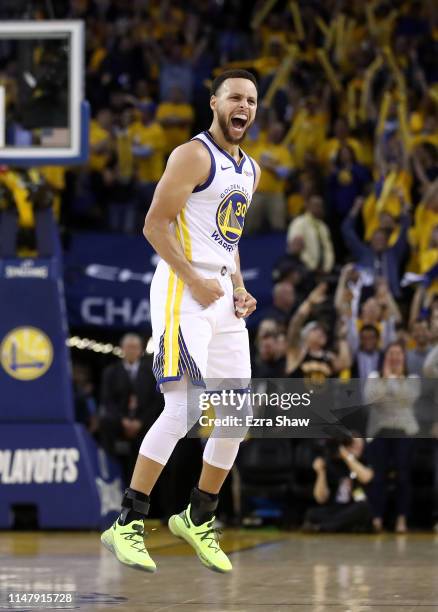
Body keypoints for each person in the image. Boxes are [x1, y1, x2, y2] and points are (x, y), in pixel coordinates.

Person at [101, 69, 260, 573]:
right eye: (235, 97)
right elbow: (154, 223)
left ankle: (198, 515)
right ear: (215, 102)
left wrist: (237, 287)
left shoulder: (250, 169)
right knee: (184, 407)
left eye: (252, 100)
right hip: (180, 291)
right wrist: (192, 278)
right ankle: (128, 520)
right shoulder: (192, 154)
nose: (244, 106)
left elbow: (227, 241)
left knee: (236, 415)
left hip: (219, 296)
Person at [364, 342, 421, 533]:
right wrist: (387, 377)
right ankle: (376, 518)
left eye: (399, 354)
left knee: (403, 477)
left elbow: (406, 399)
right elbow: (371, 399)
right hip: (380, 432)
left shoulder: (412, 379)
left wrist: (392, 382)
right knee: (378, 477)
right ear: (384, 357)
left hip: (404, 432)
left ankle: (401, 519)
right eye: (391, 353)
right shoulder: (374, 377)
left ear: (404, 358)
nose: (395, 357)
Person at [99, 334, 162, 484]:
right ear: (122, 349)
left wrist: (141, 422)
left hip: (145, 428)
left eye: (135, 347)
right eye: (129, 347)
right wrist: (123, 421)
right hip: (118, 429)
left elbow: (157, 401)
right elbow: (107, 400)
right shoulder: (111, 372)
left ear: (141, 350)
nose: (132, 351)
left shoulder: (152, 372)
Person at [303, 436, 374, 533]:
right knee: (311, 513)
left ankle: (323, 527)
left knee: (363, 508)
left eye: (360, 446)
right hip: (337, 508)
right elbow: (321, 498)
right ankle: (340, 526)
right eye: (354, 446)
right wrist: (321, 472)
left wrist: (347, 456)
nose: (358, 449)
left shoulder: (363, 461)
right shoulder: (332, 463)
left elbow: (366, 478)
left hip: (354, 507)